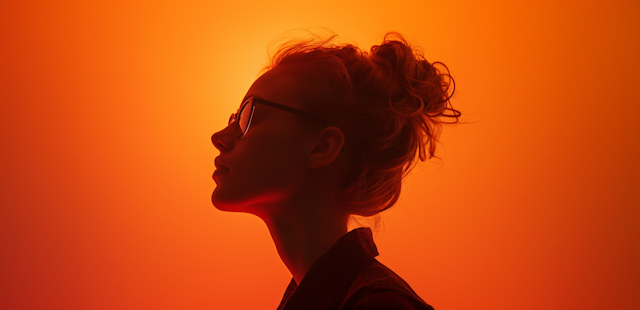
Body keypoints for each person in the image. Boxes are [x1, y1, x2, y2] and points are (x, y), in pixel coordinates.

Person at [210, 30, 461, 310]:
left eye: (248, 115)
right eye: (235, 117)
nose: (219, 136)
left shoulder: (378, 305)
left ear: (322, 147)